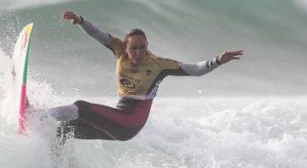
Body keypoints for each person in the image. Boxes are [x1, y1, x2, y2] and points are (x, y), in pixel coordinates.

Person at [47, 10, 243, 142]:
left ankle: (38, 116)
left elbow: (195, 69)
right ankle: (55, 164)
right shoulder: (119, 50)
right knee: (62, 131)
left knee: (81, 107)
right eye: (134, 48)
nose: (139, 52)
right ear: (126, 47)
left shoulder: (159, 65)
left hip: (129, 123)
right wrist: (81, 21)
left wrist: (218, 60)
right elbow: (98, 34)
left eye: (143, 47)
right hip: (118, 116)